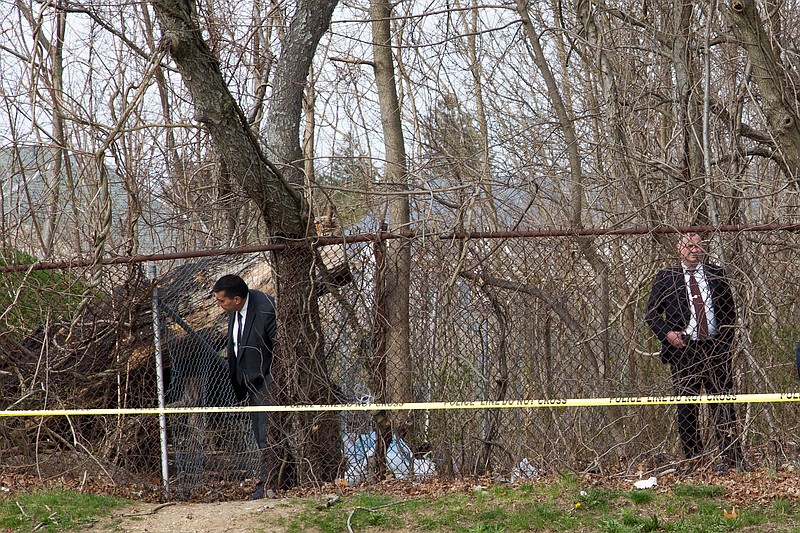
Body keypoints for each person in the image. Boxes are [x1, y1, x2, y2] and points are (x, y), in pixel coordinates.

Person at [645, 232, 746, 473]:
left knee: (723, 404)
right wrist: (669, 334)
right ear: (679, 248)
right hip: (684, 351)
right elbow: (651, 314)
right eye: (689, 246)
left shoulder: (715, 274)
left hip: (715, 349)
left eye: (698, 246)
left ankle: (733, 459)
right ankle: (695, 460)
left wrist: (724, 343)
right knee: (687, 408)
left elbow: (729, 311)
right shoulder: (666, 277)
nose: (694, 250)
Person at [212, 274, 277, 499]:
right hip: (249, 382)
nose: (218, 305)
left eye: (221, 301)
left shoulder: (266, 309)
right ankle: (274, 480)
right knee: (259, 433)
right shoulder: (236, 311)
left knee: (266, 435)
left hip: (267, 381)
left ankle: (268, 485)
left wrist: (271, 381)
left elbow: (281, 349)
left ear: (237, 299)